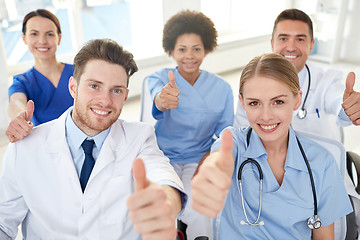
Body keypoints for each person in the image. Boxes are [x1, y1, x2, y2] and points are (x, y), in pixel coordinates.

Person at [0, 39, 186, 239]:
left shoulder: (140, 137)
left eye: (116, 90)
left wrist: (164, 205)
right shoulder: (26, 147)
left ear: (125, 96)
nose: (105, 101)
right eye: (95, 86)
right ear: (73, 87)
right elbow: (3, 223)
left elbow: (163, 177)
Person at [192, 53, 352, 239]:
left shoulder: (321, 162)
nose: (266, 116)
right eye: (254, 103)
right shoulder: (234, 142)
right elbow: (219, 159)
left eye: (278, 102)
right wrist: (215, 171)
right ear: (242, 103)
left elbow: (324, 237)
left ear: (297, 100)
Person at [233, 8, 360, 238]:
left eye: (300, 39)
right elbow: (238, 140)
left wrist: (348, 107)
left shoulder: (327, 80)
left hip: (320, 183)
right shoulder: (253, 85)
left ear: (312, 45)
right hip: (266, 182)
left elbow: (336, 100)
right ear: (272, 42)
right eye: (283, 38)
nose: (291, 47)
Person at [147, 10, 234, 239]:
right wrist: (163, 99)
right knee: (160, 200)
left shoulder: (222, 88)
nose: (189, 56)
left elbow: (226, 133)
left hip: (198, 156)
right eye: (182, 49)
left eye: (196, 48)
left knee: (200, 203)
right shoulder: (159, 79)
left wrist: (206, 162)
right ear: (172, 51)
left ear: (206, 48)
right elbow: (157, 100)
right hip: (162, 155)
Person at [6, 9, 74, 143]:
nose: (42, 41)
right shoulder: (22, 82)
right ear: (24, 38)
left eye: (49, 34)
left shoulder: (79, 72)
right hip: (46, 146)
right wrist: (19, 116)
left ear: (59, 38)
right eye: (34, 34)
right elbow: (16, 102)